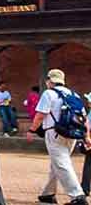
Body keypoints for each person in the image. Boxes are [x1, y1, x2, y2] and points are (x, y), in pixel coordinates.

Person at [29, 69, 88, 205]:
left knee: (62, 163)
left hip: (54, 132)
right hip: (72, 133)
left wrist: (32, 130)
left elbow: (40, 115)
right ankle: (47, 194)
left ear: (50, 81)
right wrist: (85, 136)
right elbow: (84, 119)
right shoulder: (74, 94)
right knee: (57, 163)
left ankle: (78, 196)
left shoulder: (49, 93)